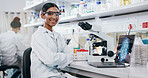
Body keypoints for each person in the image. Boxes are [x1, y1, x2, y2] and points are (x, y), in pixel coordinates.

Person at [31, 3, 74, 78]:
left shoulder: (58, 35)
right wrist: (62, 59)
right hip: (45, 76)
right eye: (50, 14)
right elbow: (50, 60)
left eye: (57, 14)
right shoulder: (38, 36)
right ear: (42, 15)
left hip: (57, 74)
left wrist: (56, 59)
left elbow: (70, 54)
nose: (54, 17)